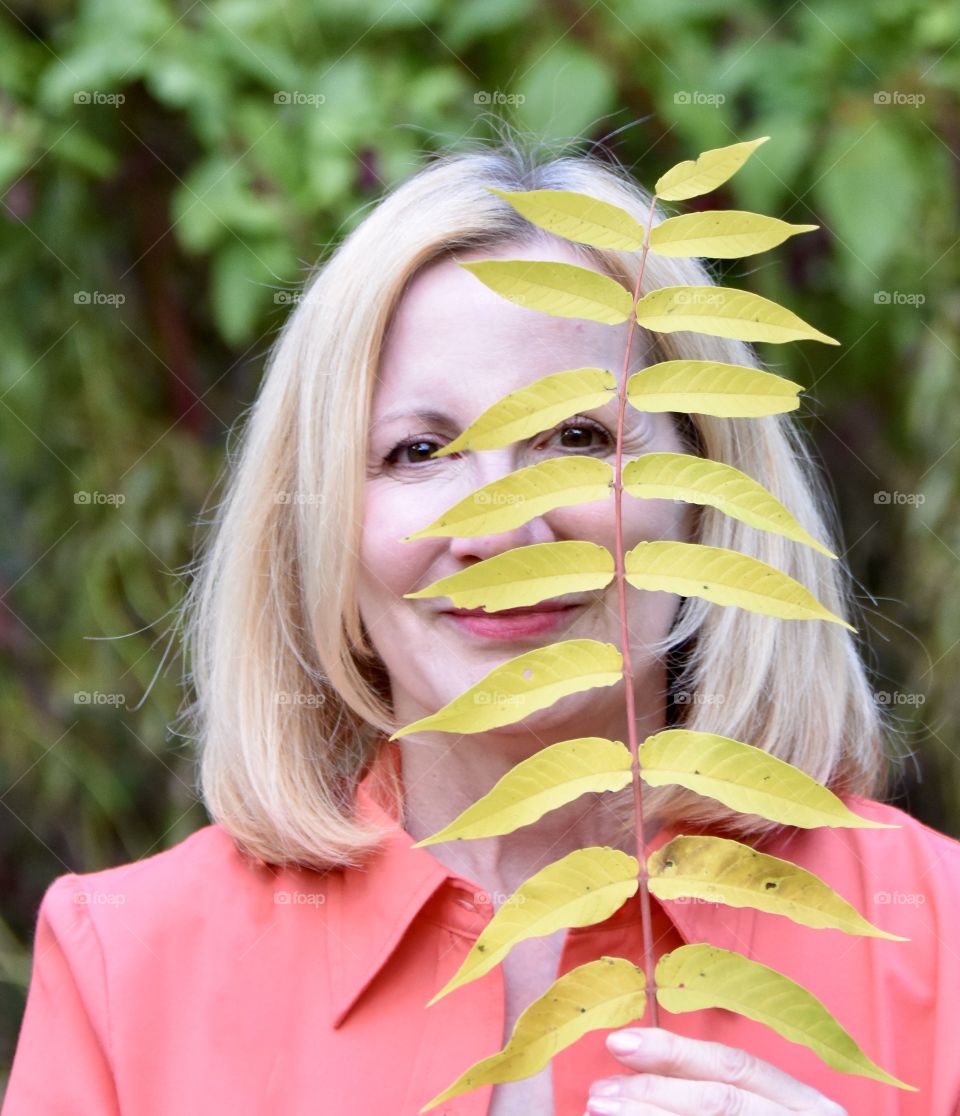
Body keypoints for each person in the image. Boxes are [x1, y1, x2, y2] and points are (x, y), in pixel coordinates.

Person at [4, 136, 960, 1116]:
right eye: (420, 451)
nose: (506, 526)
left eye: (579, 439)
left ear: (712, 491)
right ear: (318, 524)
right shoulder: (126, 969)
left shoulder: (940, 938)